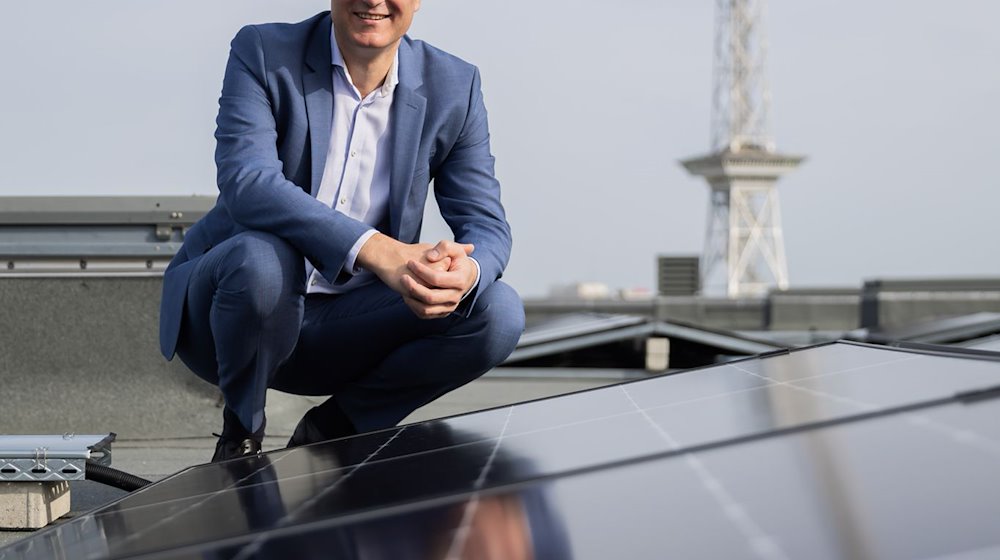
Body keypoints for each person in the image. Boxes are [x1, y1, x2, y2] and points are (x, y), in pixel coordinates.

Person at [158, 0, 524, 462]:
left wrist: (462, 272)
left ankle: (335, 429)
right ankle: (241, 435)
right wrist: (376, 249)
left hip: (349, 327)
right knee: (263, 259)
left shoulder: (455, 84)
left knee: (498, 311)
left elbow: (487, 224)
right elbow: (247, 183)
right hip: (229, 317)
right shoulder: (263, 50)